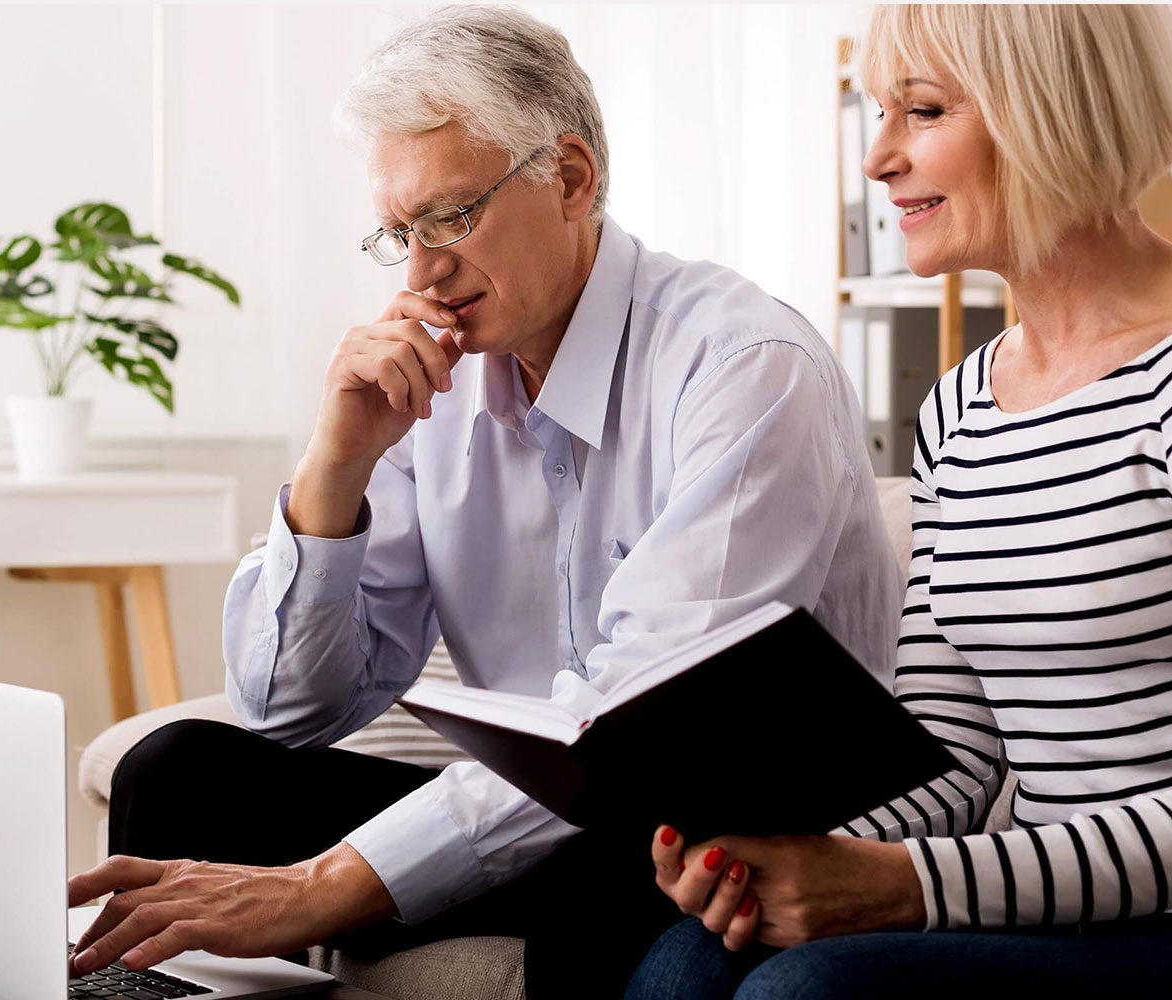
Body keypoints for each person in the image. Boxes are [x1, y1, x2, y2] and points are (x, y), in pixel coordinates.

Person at [62, 7, 902, 996]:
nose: (420, 272)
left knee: (618, 864)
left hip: (692, 831)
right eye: (397, 232)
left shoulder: (741, 369)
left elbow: (633, 743)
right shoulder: (437, 379)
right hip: (550, 808)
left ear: (572, 179)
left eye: (450, 217)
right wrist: (336, 463)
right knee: (180, 771)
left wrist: (326, 883)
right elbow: (292, 709)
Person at [626, 6, 1172, 999]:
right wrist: (784, 861)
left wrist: (904, 886)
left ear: (1047, 110)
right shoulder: (959, 406)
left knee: (807, 993)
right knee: (689, 959)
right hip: (1049, 917)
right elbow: (950, 749)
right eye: (877, 114)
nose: (877, 158)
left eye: (920, 112)